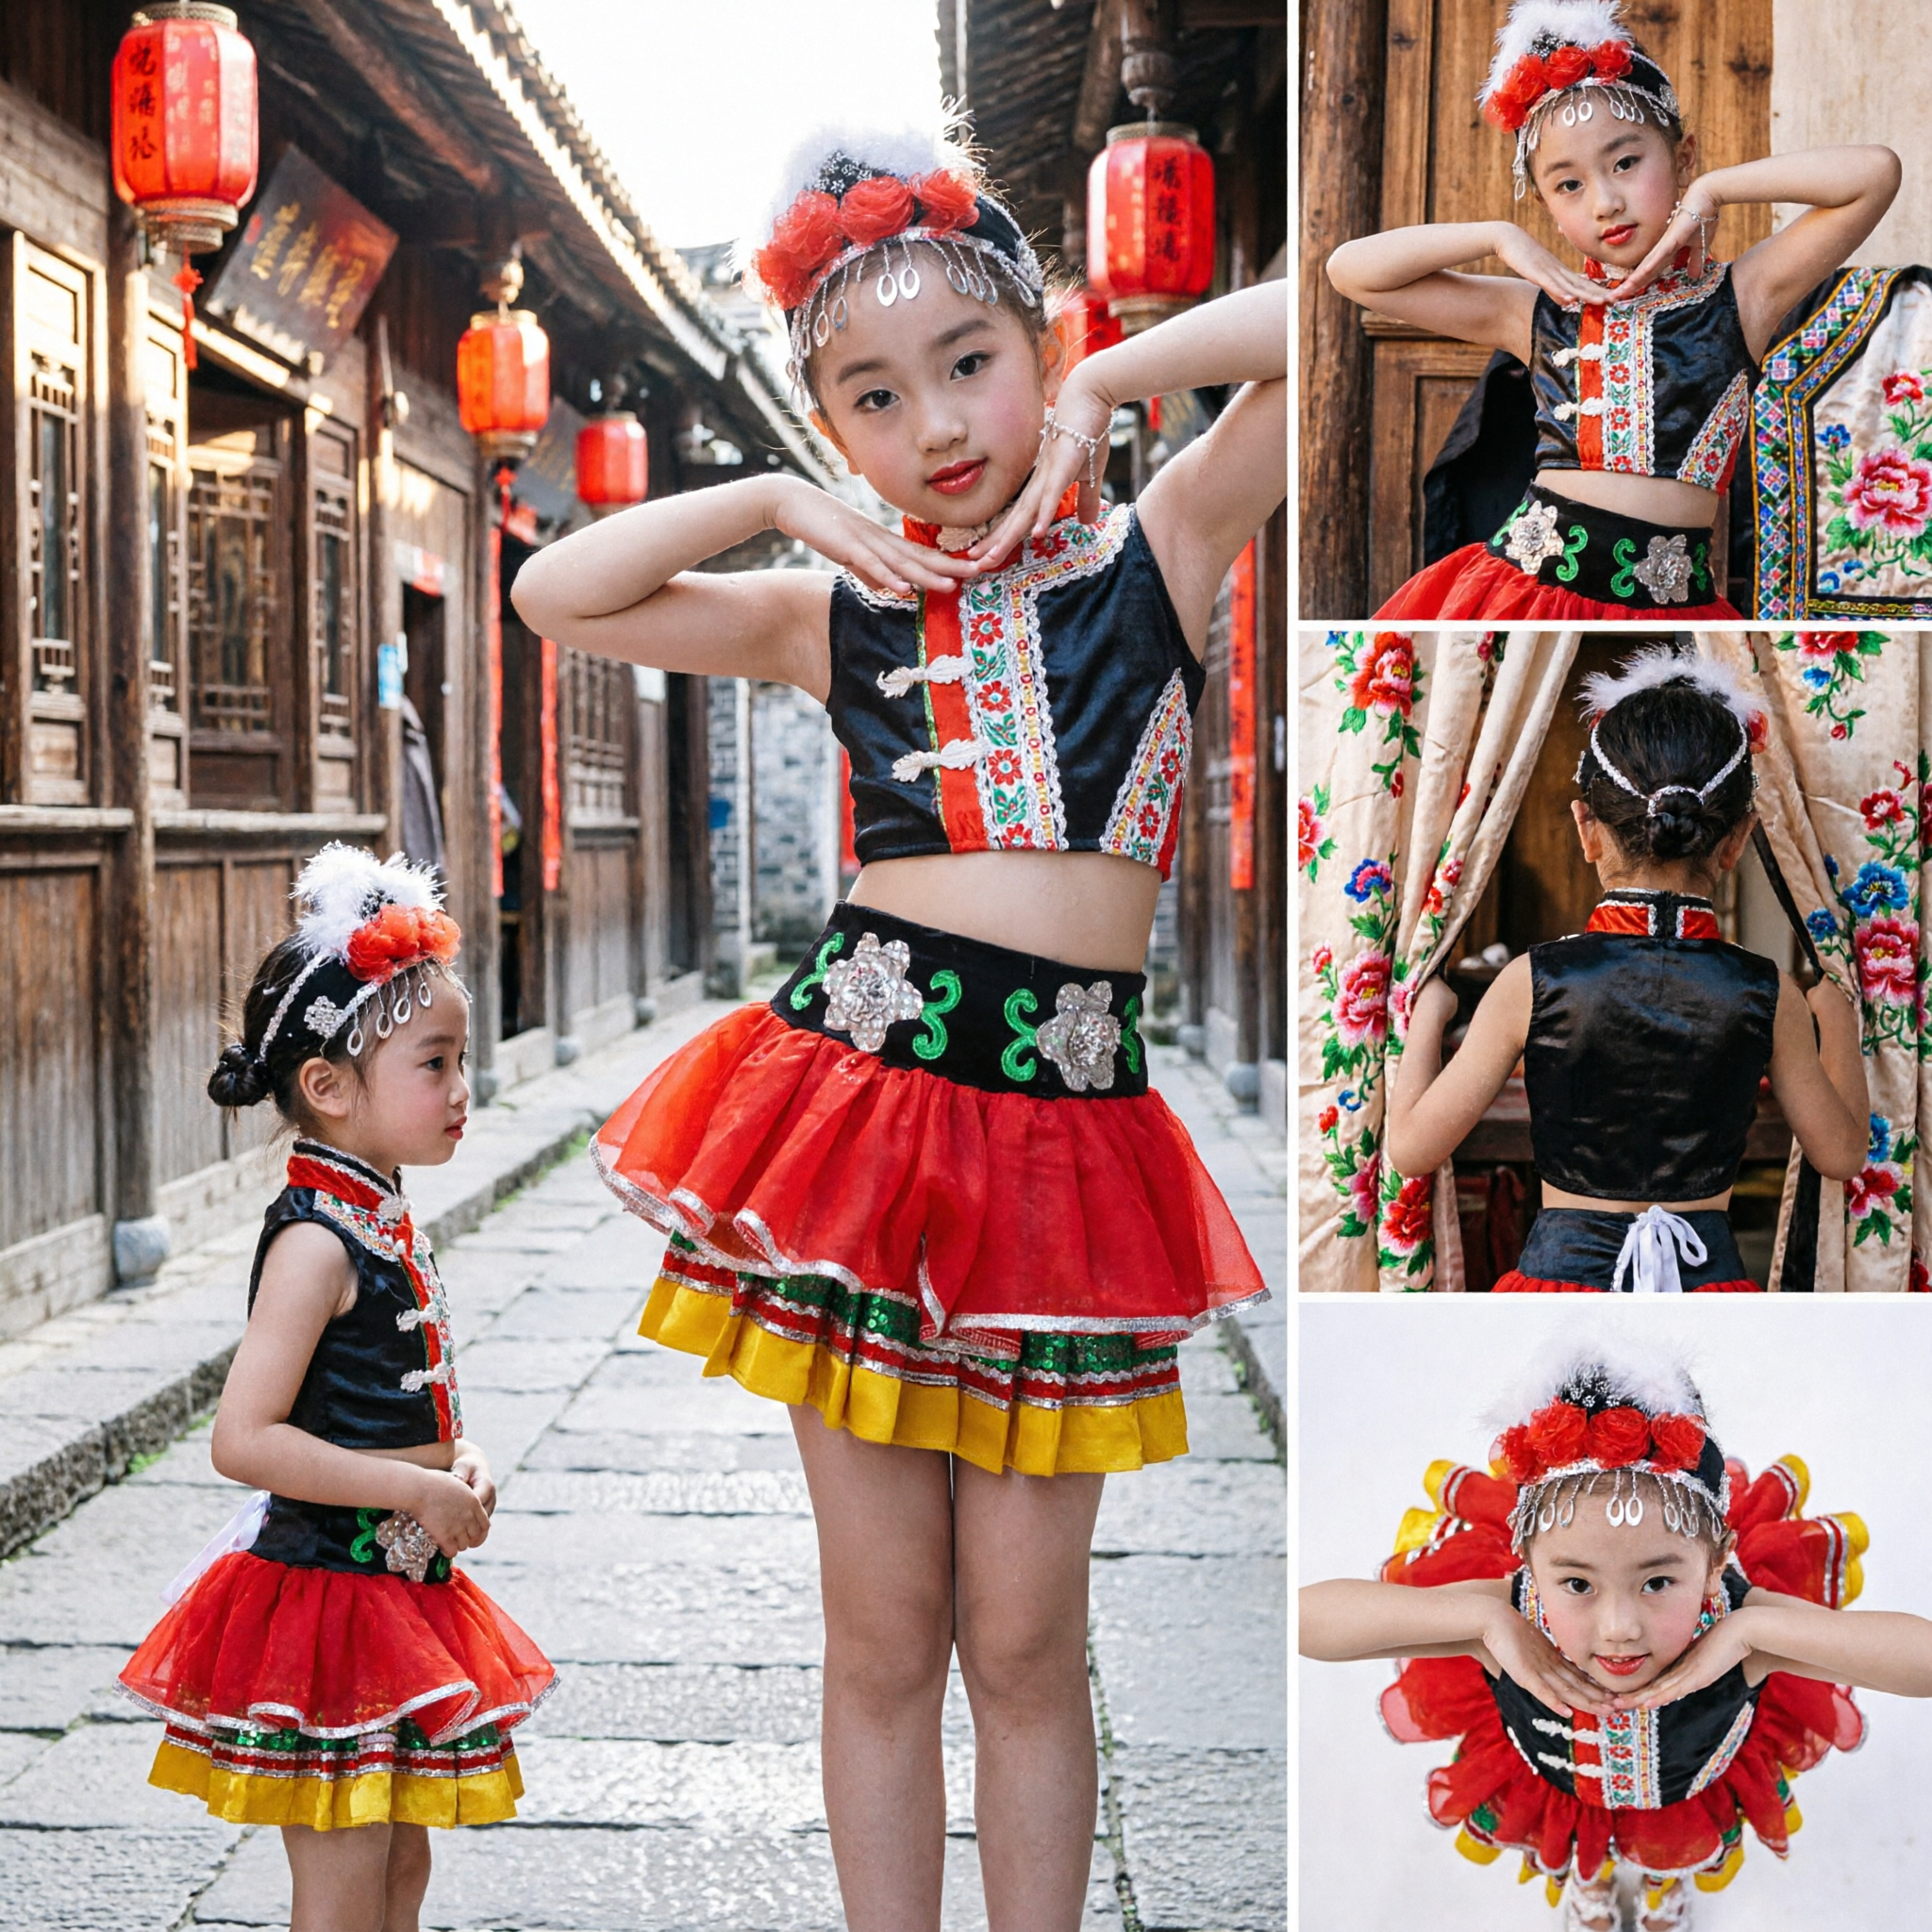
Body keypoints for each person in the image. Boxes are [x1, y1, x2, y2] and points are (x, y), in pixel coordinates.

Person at [509, 119, 1282, 1931]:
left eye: (970, 363)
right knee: (883, 1630)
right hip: (857, 1114)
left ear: (1030, 348)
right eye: (869, 398)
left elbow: (1326, 324)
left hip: (1067, 1144)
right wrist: (786, 502)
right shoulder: (826, 610)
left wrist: (1109, 377)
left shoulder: (1158, 548)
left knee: (1028, 1638)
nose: (933, 424)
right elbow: (557, 595)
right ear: (833, 427)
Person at [119, 845, 554, 1932]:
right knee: (346, 1877)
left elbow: (394, 1394)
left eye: (461, 1061)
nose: (462, 1090)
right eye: (435, 1063)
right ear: (328, 1085)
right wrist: (408, 1492)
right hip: (327, 1597)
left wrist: (458, 1462)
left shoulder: (378, 1210)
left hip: (396, 1591)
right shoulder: (316, 1242)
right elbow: (245, 1437)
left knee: (402, 1863)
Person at [1299, 1341, 1932, 1929]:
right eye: (1577, 1585)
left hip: (1687, 1788)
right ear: (1528, 1564)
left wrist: (1756, 1627)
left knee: (1670, 1842)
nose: (1620, 1628)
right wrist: (1484, 1620)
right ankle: (1594, 1881)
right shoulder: (1503, 1620)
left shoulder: (1749, 1629)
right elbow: (1308, 1622)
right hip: (1564, 1789)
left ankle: (1661, 1882)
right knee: (1585, 1841)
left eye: (1658, 1583)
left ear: (1715, 1564)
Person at [1325, 0, 1900, 621]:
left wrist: (1715, 190)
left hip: (1672, 609)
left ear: (1681, 159)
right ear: (1548, 206)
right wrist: (1496, 236)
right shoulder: (1541, 311)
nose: (1605, 201)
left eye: (1626, 163)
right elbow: (1352, 272)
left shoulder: (1743, 296)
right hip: (1527, 597)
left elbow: (1874, 174)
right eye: (1568, 184)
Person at [1386, 648, 1868, 1293]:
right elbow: (1843, 1155)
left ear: (1587, 830)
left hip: (1558, 1291)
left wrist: (1430, 1011)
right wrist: (1836, 1016)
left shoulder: (1530, 981)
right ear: (1737, 839)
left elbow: (1413, 1147)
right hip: (1711, 1293)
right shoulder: (1769, 993)